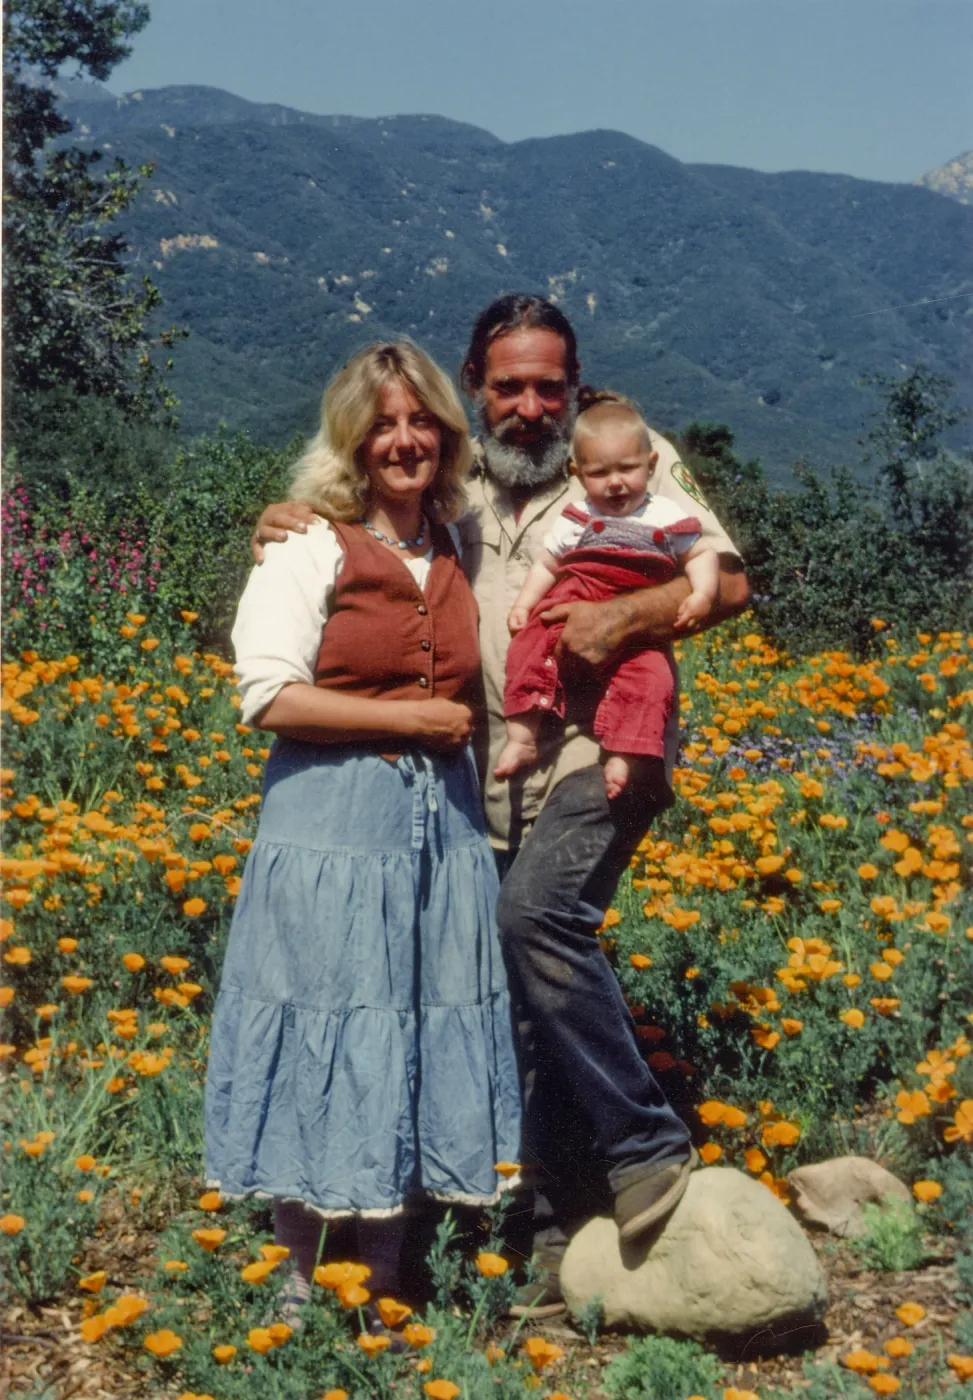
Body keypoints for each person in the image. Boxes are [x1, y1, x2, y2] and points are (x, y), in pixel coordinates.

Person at [253, 295, 749, 1316]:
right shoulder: (450, 476)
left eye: (549, 387)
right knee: (495, 980)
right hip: (481, 766)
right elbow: (362, 530)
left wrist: (631, 612)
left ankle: (645, 1145)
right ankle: (533, 1225)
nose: (531, 406)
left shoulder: (624, 455)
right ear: (476, 387)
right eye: (509, 386)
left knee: (536, 918)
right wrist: (288, 519)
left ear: (576, 387)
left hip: (600, 747)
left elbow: (728, 583)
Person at [206, 340, 521, 1304]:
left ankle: (383, 1276)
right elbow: (269, 696)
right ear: (350, 440)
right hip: (329, 828)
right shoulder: (307, 546)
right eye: (382, 425)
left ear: (448, 435)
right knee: (321, 1019)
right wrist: (410, 722)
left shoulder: (459, 542)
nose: (403, 440)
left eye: (421, 420)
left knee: (413, 1026)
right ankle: (297, 1280)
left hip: (439, 836)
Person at [495, 397, 719, 799]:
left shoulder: (667, 514)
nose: (615, 482)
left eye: (627, 469)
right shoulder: (577, 516)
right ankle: (522, 734)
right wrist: (525, 605)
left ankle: (623, 753)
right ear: (578, 474)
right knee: (529, 646)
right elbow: (546, 564)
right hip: (576, 592)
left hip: (638, 619)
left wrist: (703, 593)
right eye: (599, 473)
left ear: (651, 465)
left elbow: (702, 553)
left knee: (652, 679)